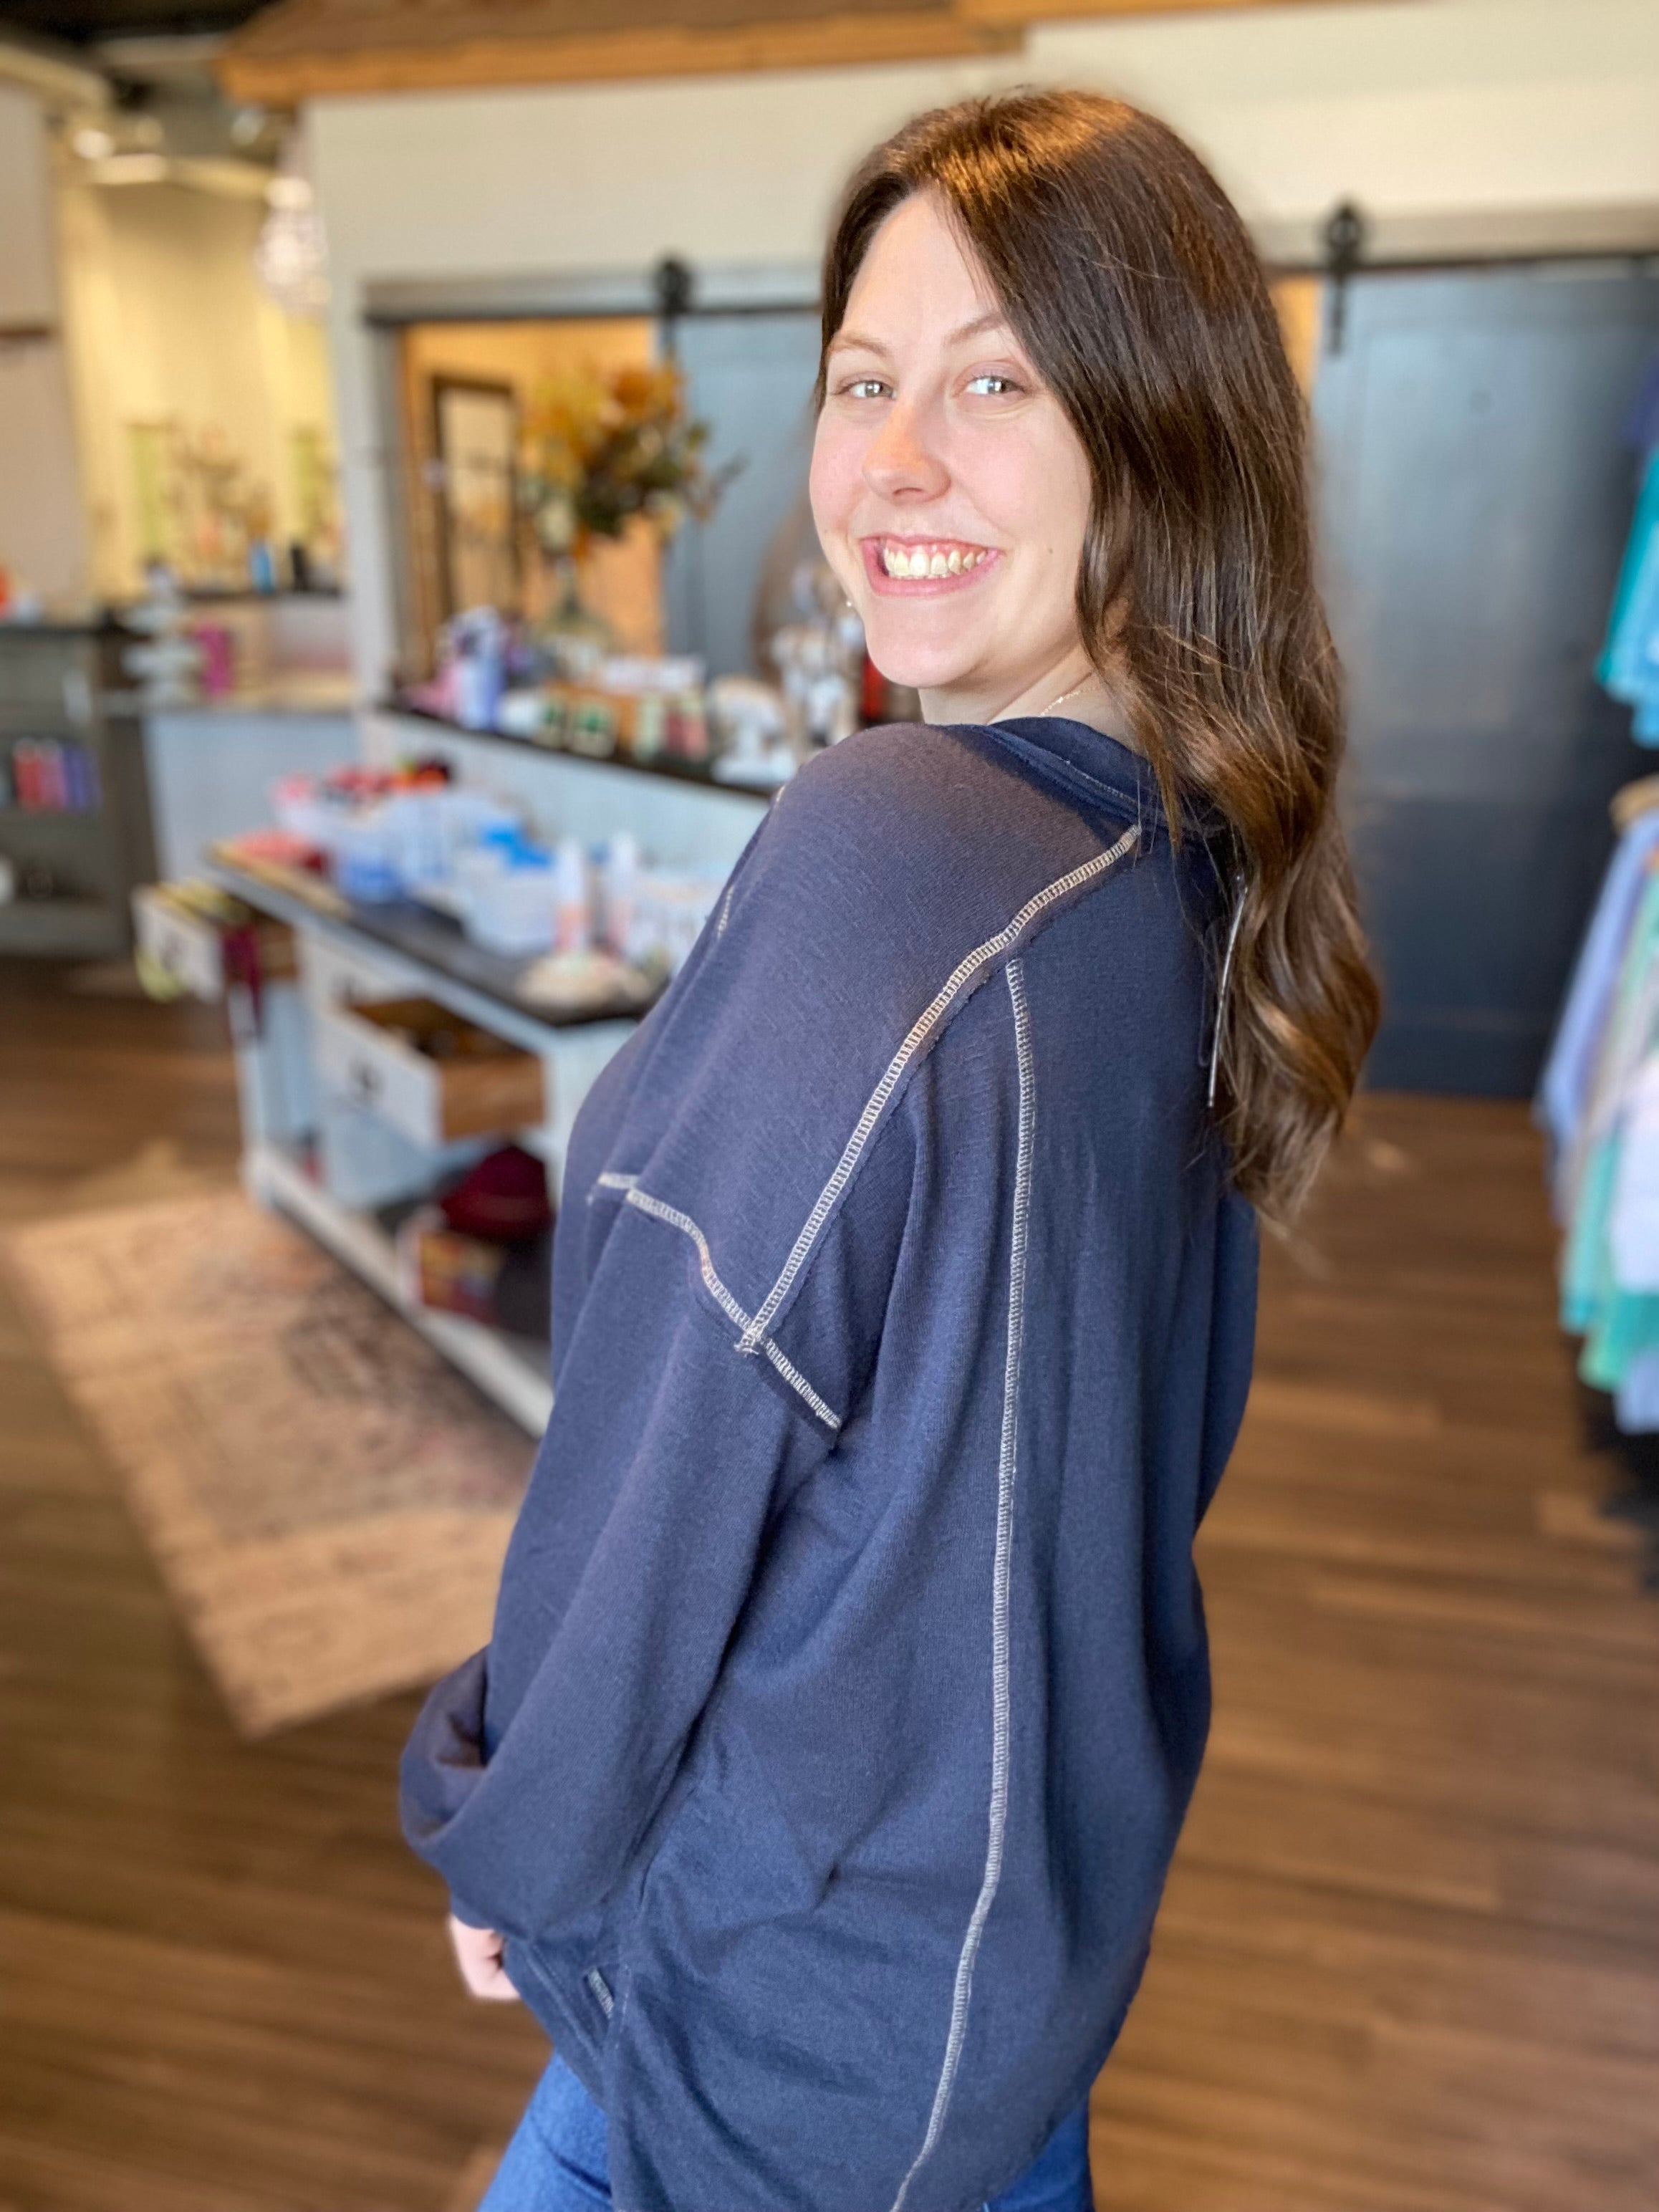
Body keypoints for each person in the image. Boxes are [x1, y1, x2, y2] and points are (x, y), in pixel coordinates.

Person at [400, 89, 1380, 2212]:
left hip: (774, 2040)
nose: (891, 464)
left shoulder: (892, 847)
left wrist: (507, 1821)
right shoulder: (1180, 871)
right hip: (998, 2005)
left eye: (994, 382)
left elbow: (662, 1457)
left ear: (1156, 432)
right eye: (862, 380)